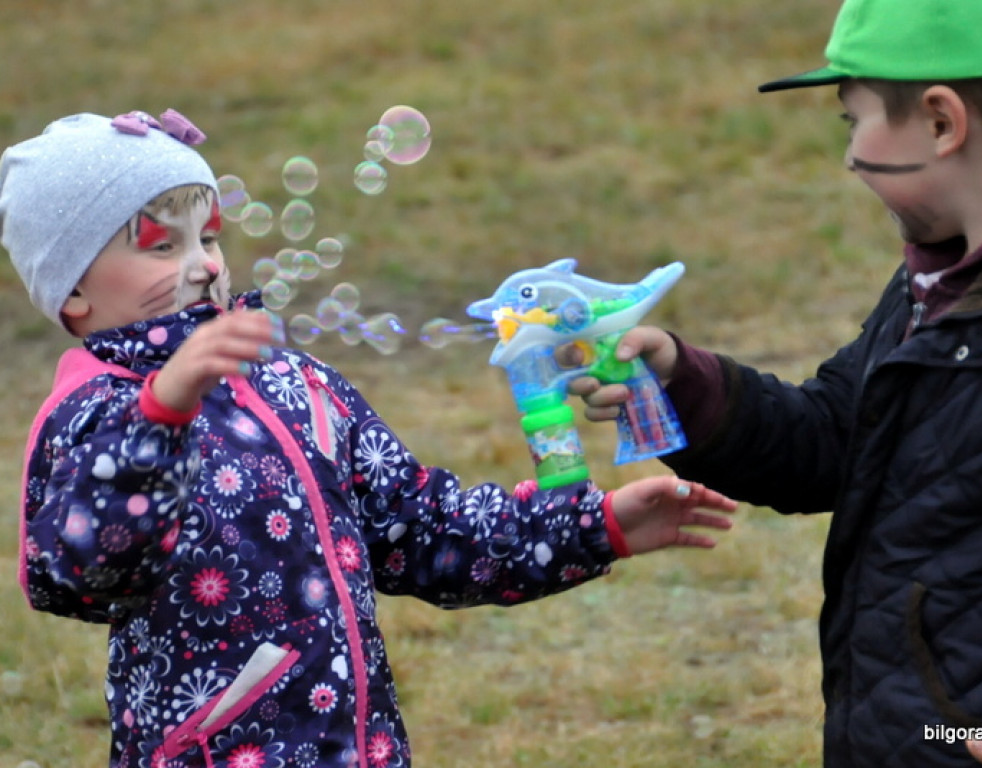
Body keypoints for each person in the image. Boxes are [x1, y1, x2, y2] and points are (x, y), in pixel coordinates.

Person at [0, 110, 737, 768]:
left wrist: (592, 527)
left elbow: (423, 530)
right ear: (72, 289)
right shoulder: (95, 412)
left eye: (212, 236)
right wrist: (164, 410)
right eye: (164, 247)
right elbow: (85, 572)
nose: (205, 265)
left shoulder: (295, 383)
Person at [563, 0, 982, 766]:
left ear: (942, 123)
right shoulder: (940, 286)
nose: (850, 158)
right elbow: (836, 437)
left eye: (856, 123)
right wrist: (682, 379)